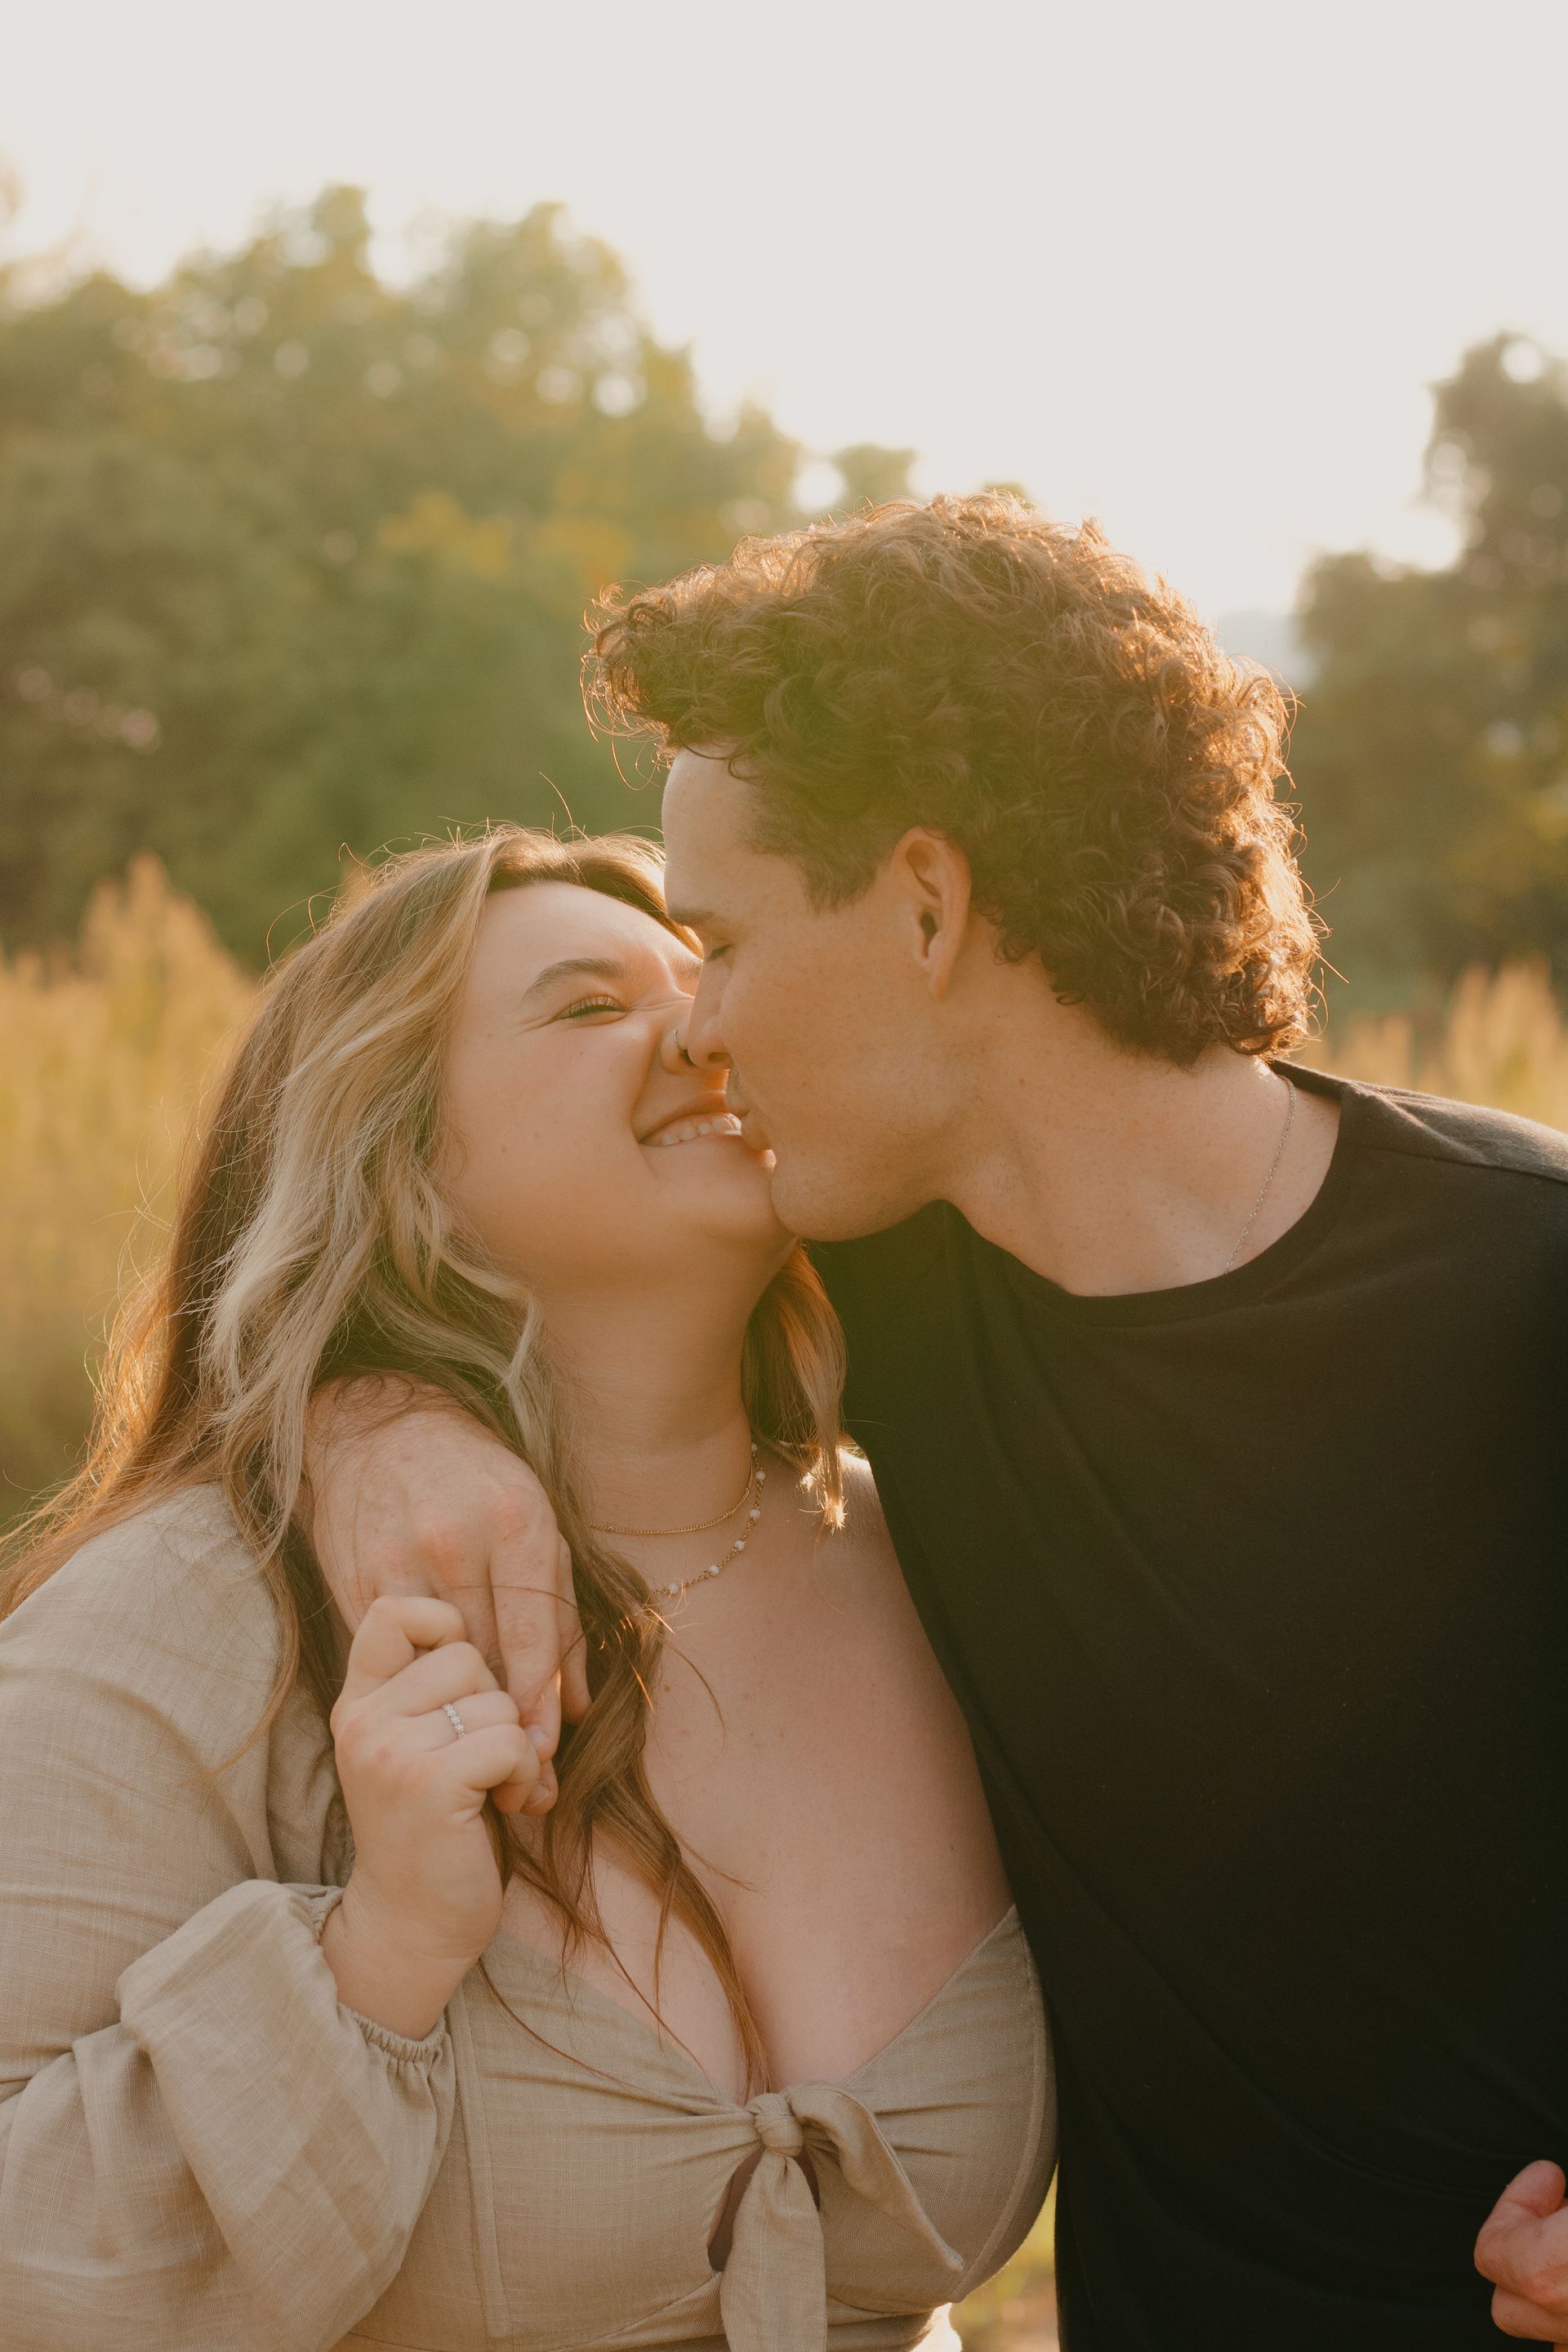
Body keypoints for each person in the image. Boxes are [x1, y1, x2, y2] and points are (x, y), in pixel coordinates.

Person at [307, 497, 1568, 2350]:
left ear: (925, 902)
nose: (703, 1026)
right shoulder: (862, 1287)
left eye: (721, 941)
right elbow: (448, 1285)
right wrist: (383, 1425)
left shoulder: (1525, 1300)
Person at [0, 829, 1054, 2351]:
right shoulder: (190, 1610)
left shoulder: (949, 1564)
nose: (703, 1030)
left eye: (713, 982)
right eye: (584, 1008)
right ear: (400, 1162)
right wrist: (375, 1966)